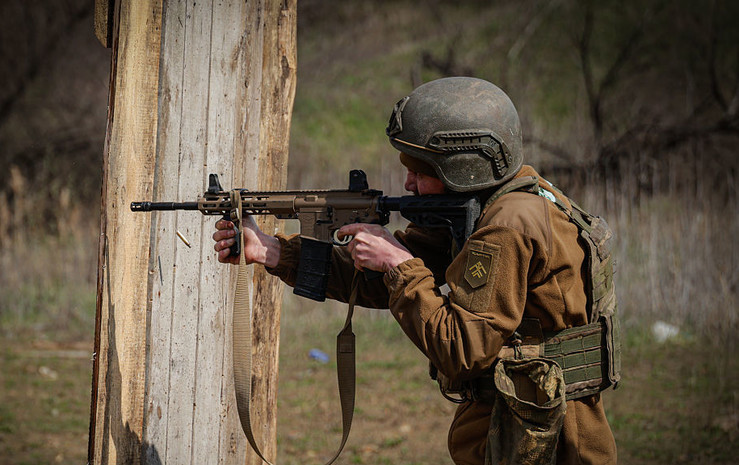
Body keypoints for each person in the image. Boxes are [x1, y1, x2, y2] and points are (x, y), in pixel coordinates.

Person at [212, 77, 619, 464]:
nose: (407, 183)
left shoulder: (506, 226)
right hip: (524, 429)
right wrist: (273, 252)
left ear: (463, 168)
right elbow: (379, 282)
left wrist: (398, 263)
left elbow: (462, 350)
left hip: (552, 443)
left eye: (421, 172)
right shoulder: (492, 204)